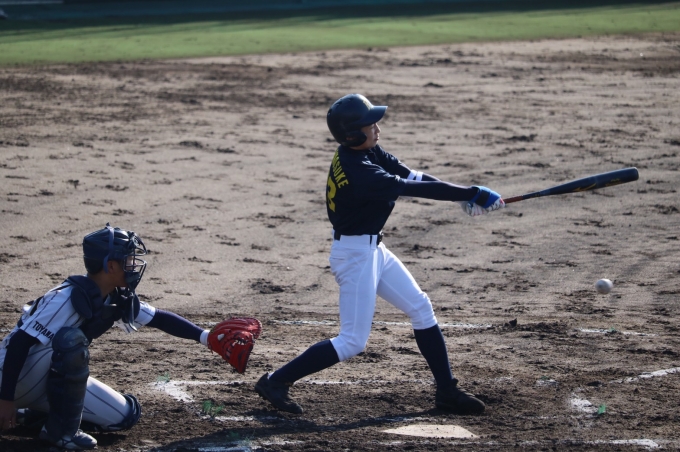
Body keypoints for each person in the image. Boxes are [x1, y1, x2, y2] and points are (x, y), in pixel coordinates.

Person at [255, 93, 504, 415]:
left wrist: (461, 197)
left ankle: (447, 391)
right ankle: (275, 381)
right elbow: (410, 189)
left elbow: (414, 177)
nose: (377, 129)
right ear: (352, 134)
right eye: (370, 125)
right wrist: (473, 192)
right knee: (352, 341)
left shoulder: (365, 152)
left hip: (373, 250)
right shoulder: (359, 171)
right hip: (355, 256)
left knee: (421, 308)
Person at [0, 224, 216, 450]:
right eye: (128, 260)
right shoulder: (64, 298)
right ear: (111, 265)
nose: (134, 265)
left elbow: (159, 318)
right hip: (10, 378)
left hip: (43, 385)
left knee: (124, 416)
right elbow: (19, 344)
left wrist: (206, 337)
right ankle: (61, 433)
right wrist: (6, 399)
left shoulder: (113, 298)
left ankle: (31, 416)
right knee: (71, 341)